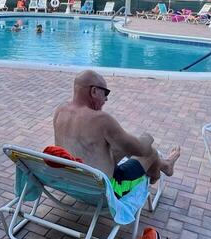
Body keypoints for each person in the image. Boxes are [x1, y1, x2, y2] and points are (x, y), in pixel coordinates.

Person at [52, 70, 180, 182]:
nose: (106, 99)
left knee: (121, 145)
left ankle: (163, 167)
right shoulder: (101, 120)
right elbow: (141, 150)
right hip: (102, 188)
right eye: (105, 93)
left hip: (71, 179)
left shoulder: (60, 110)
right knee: (151, 152)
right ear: (94, 91)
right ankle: (159, 171)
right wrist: (148, 137)